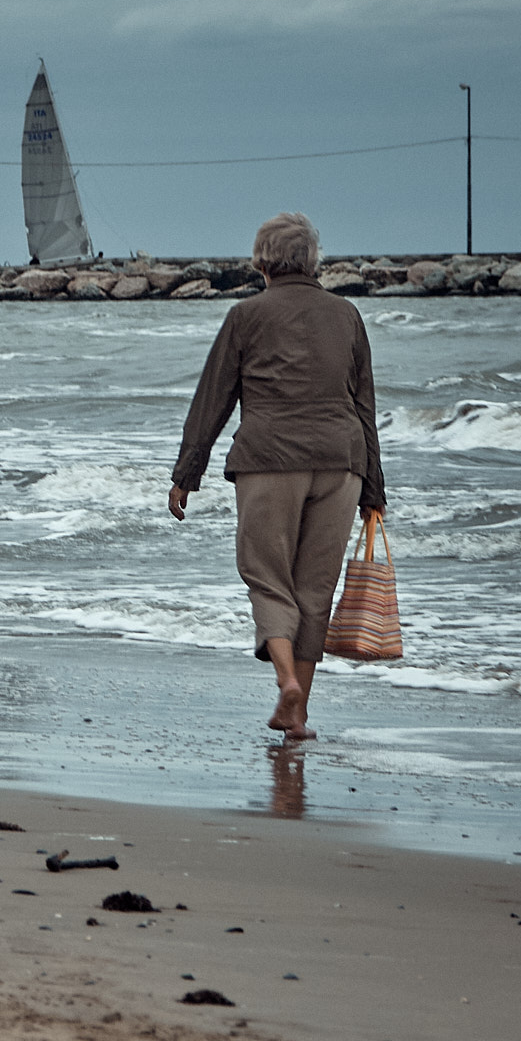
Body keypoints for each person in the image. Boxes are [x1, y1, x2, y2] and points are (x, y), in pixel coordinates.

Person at [167, 211, 385, 742]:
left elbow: (212, 399)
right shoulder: (347, 314)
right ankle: (299, 715)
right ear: (313, 260)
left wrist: (186, 474)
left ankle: (286, 681)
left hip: (268, 462)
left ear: (261, 260)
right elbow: (365, 406)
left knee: (268, 578)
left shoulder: (246, 315)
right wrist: (374, 490)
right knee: (315, 590)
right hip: (341, 463)